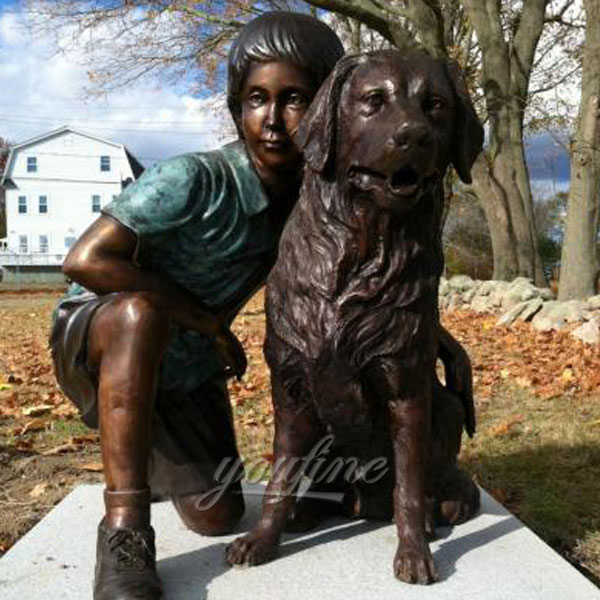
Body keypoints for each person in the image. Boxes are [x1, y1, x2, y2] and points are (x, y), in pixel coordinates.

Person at [50, 10, 472, 600]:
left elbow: (359, 284)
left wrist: (431, 335)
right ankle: (125, 532)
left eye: (295, 99)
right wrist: (209, 325)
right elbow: (85, 262)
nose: (273, 121)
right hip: (104, 332)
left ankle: (149, 434)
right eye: (255, 100)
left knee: (217, 514)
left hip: (184, 367)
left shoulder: (317, 192)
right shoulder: (193, 178)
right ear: (236, 109)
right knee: (137, 315)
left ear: (328, 110)